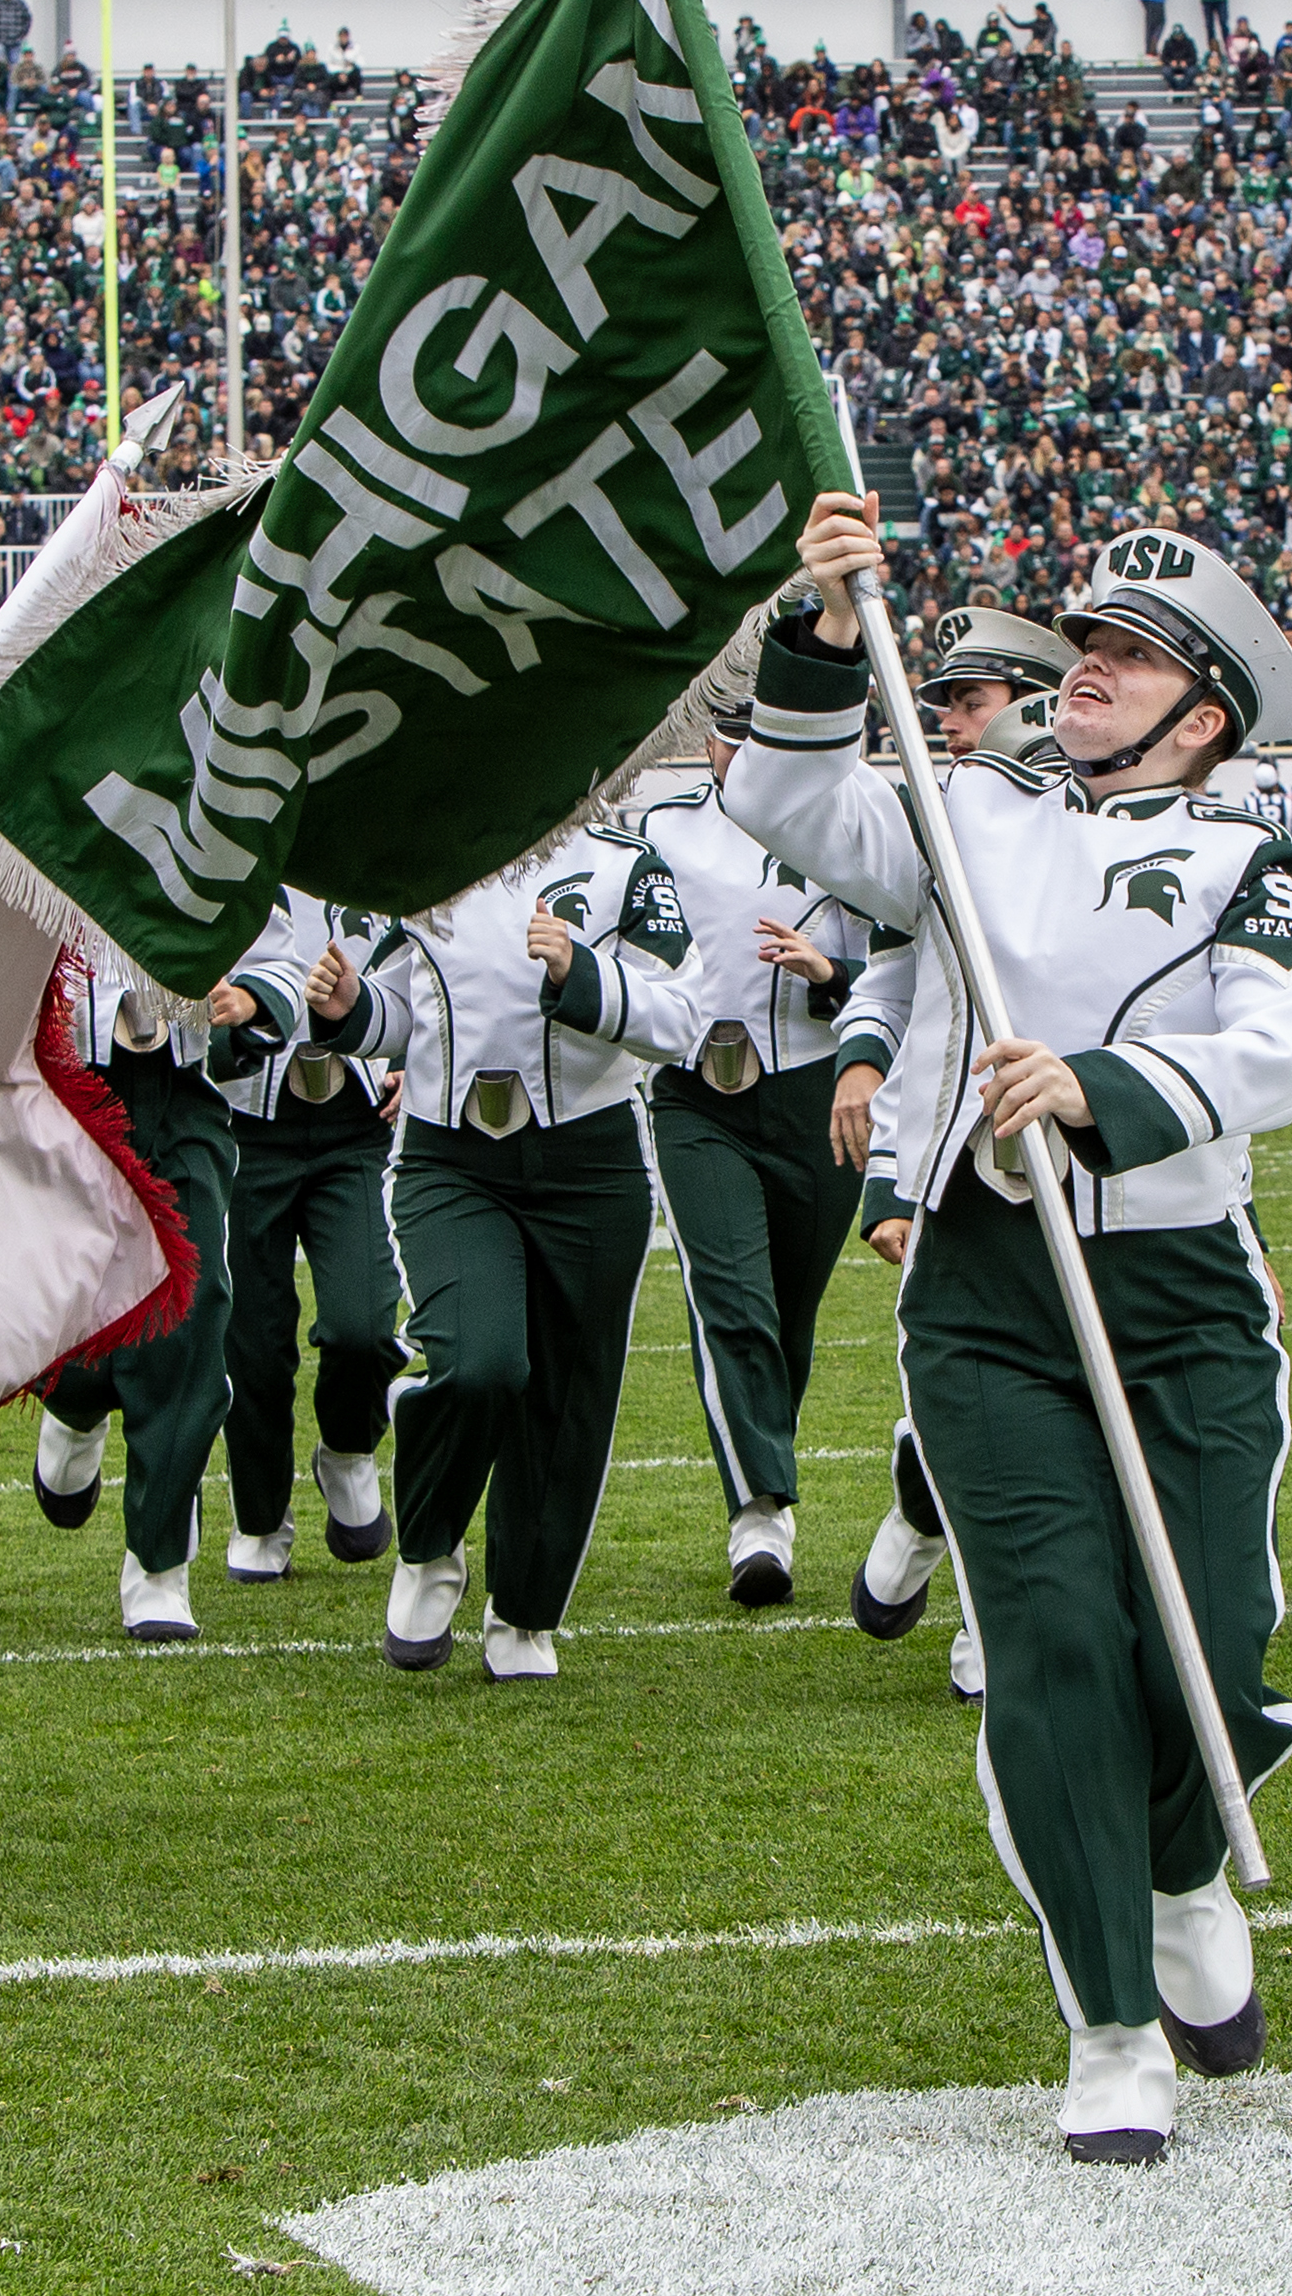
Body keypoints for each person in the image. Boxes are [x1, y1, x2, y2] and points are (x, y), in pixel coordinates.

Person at [736, 502, 1292, 2166]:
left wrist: (1107, 1091)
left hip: (1180, 1293)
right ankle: (1110, 2023)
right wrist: (820, 628)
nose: (1086, 671)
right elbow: (785, 799)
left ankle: (1174, 1864)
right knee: (1058, 1651)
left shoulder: (1248, 864)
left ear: (1198, 717)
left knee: (1208, 1652)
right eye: (1085, 646)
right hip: (991, 1299)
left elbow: (1285, 1052)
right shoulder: (968, 812)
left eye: (1126, 657)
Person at [301, 823, 705, 1685]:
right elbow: (401, 1016)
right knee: (478, 1360)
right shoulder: (420, 856)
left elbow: (683, 1019)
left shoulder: (626, 862)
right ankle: (428, 1545)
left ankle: (524, 1611)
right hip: (449, 1157)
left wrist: (581, 971)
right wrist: (345, 1014)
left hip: (592, 1162)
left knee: (568, 1394)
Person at [851, 604, 1076, 1701]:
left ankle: (984, 1594)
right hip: (960, 1161)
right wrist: (875, 1121)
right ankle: (925, 1498)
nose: (946, 720)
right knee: (981, 1397)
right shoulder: (934, 822)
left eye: (968, 701)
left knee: (1080, 1395)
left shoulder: (1119, 824)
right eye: (942, 700)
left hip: (1094, 1159)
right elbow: (900, 985)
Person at [632, 697, 890, 1607]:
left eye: (756, 735)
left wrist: (830, 975)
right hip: (695, 1090)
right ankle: (759, 1511)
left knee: (788, 1311)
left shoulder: (846, 828)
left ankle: (762, 1473)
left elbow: (901, 971)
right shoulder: (657, 829)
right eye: (727, 733)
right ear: (705, 736)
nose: (738, 751)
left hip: (817, 1090)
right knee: (730, 1298)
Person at [31, 945, 240, 1642]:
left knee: (192, 1306)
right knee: (72, 1298)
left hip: (180, 1094)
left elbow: (267, 934)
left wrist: (250, 997)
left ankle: (158, 1567)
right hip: (60, 1084)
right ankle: (74, 1398)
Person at [201, 890, 399, 1583]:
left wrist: (411, 1050)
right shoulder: (236, 842)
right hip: (248, 1127)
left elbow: (424, 962)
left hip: (355, 1127)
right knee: (252, 1338)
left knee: (364, 1320)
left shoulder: (370, 841)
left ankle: (347, 1448)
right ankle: (259, 1517)